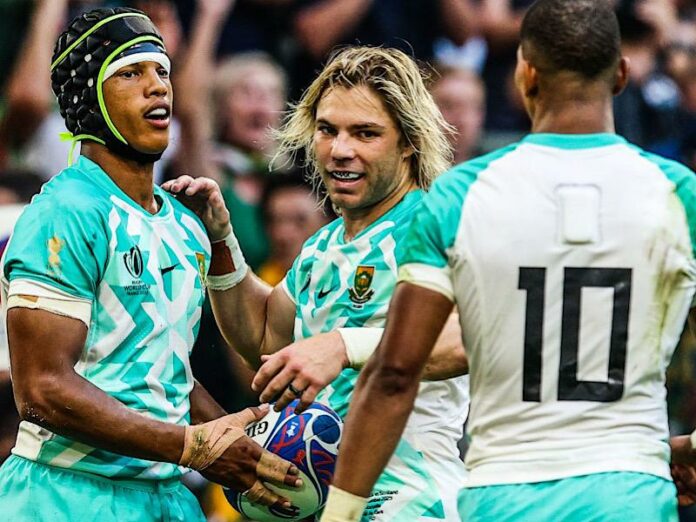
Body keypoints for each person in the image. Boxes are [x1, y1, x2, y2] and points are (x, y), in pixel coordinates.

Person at [322, 1, 696, 521]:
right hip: (628, 492)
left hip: (503, 494)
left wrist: (339, 514)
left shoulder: (461, 194)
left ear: (525, 74)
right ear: (621, 75)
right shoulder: (678, 194)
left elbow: (394, 374)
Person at [0, 7, 301, 521]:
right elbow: (42, 389)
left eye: (162, 71)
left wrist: (236, 448)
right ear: (88, 97)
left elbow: (166, 374)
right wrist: (193, 447)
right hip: (66, 495)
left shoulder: (185, 223)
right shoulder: (65, 211)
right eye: (131, 73)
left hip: (164, 496)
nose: (158, 86)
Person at [164, 46, 470, 521]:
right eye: (328, 130)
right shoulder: (324, 245)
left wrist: (344, 345)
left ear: (408, 141)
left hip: (410, 502)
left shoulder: (436, 223)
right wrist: (221, 243)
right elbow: (264, 340)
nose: (339, 149)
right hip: (326, 506)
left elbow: (474, 335)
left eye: (365, 133)